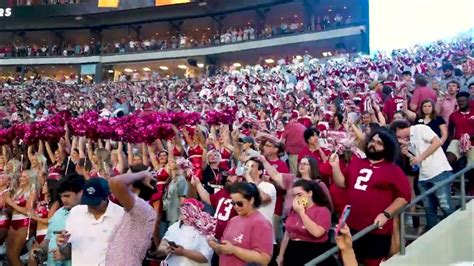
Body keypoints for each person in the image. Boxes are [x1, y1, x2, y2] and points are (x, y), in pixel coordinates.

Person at [329, 130, 411, 266]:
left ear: (387, 148)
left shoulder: (393, 170)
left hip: (375, 230)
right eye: (372, 141)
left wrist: (386, 214)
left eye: (379, 143)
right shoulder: (356, 162)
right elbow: (342, 183)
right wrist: (335, 167)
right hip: (351, 227)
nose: (373, 144)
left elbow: (404, 197)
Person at [391, 120, 454, 230]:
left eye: (397, 135)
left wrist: (421, 157)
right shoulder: (410, 140)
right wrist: (407, 154)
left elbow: (437, 142)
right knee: (429, 209)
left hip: (438, 172)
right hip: (423, 177)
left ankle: (454, 229)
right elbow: (416, 158)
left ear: (399, 129)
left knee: (445, 206)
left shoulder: (420, 128)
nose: (398, 138)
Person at [56, 177, 124, 265]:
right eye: (88, 201)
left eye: (95, 202)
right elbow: (67, 254)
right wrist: (63, 244)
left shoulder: (121, 215)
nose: (90, 206)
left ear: (106, 196)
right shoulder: (76, 212)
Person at [208, 182, 273, 266]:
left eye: (240, 203)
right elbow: (225, 249)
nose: (236, 207)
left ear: (251, 200)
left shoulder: (261, 223)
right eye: (233, 203)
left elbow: (264, 259)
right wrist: (217, 246)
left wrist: (234, 250)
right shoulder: (233, 220)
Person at [277, 179, 336, 266]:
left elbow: (317, 233)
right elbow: (288, 233)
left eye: (299, 195)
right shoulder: (293, 210)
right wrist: (281, 255)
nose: (297, 198)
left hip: (313, 251)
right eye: (294, 196)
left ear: (310, 193)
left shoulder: (322, 210)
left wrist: (302, 213)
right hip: (293, 250)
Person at [30, 173, 85, 266]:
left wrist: (67, 254)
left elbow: (91, 247)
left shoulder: (89, 215)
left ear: (81, 192)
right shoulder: (59, 213)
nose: (63, 200)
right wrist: (40, 250)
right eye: (61, 196)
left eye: (67, 196)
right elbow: (48, 238)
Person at [106, 169, 157, 265]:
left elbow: (115, 182)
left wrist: (142, 173)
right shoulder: (138, 210)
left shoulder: (142, 209)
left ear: (134, 189)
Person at [157, 198, 215, 266]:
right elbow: (163, 245)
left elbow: (205, 257)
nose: (181, 215)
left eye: (185, 212)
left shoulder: (205, 229)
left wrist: (183, 252)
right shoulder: (175, 226)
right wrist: (165, 249)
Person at [4, 169, 38, 266]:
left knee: (14, 254)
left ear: (30, 179)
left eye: (24, 177)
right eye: (21, 176)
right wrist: (8, 204)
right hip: (14, 222)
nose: (20, 178)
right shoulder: (19, 190)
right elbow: (13, 210)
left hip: (25, 223)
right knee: (9, 255)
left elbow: (28, 211)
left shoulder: (33, 191)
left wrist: (11, 202)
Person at [447, 92, 474, 166]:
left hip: (472, 143)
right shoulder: (453, 115)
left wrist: (468, 137)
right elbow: (450, 131)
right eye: (459, 101)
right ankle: (448, 175)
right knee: (448, 158)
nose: (461, 103)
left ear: (469, 101)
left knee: (471, 166)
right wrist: (450, 141)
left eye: (463, 101)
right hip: (458, 142)